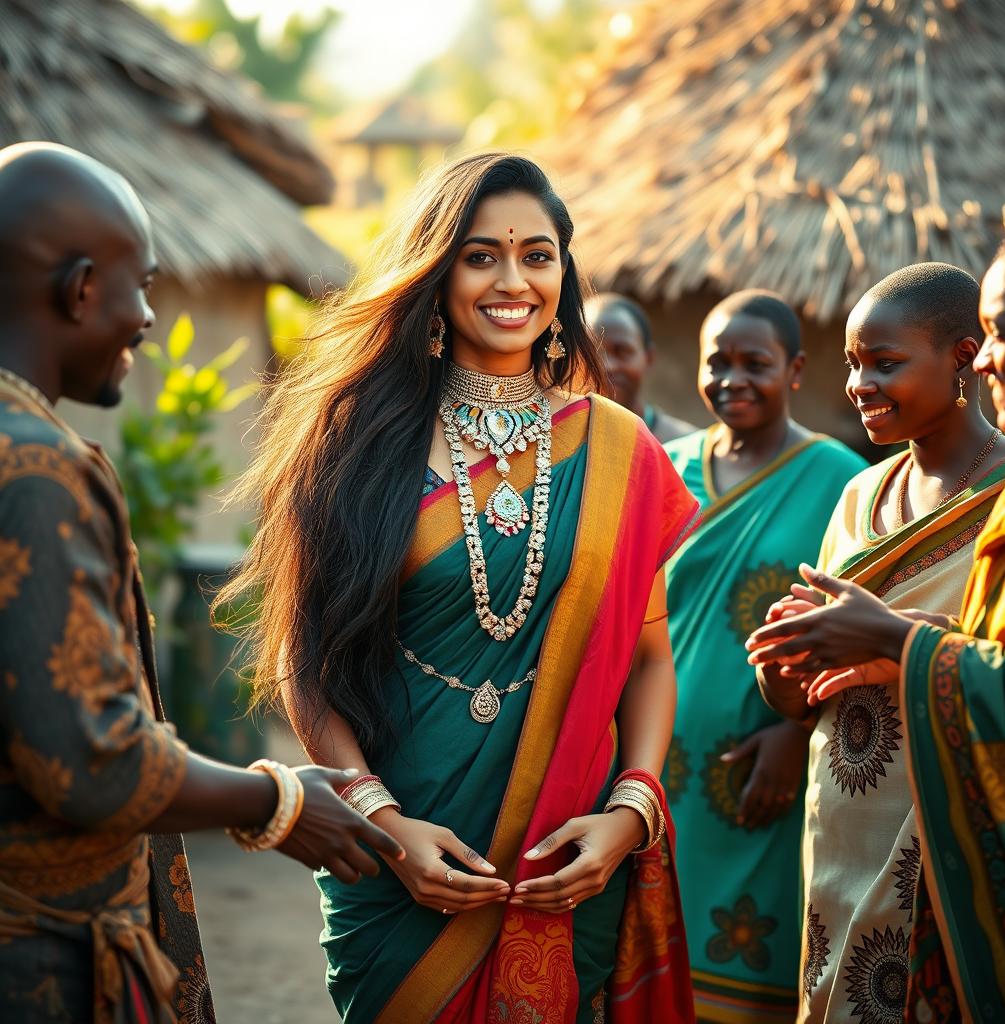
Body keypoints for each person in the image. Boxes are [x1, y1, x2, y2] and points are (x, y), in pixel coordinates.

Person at [216, 154, 699, 1023]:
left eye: (537, 254)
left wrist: (632, 811)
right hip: (397, 859)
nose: (512, 281)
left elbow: (650, 657)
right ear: (437, 272)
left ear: (565, 270)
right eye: (481, 256)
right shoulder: (357, 444)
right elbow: (304, 658)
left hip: (563, 860)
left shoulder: (619, 451)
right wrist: (385, 825)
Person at [0, 142, 404, 1024]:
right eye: (137, 286)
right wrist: (279, 798)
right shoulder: (31, 470)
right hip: (36, 965)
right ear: (77, 290)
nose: (147, 317)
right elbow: (89, 760)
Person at [747, 260, 1005, 1023]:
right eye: (853, 363)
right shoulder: (860, 495)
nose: (860, 384)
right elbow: (807, 689)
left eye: (887, 363)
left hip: (939, 819)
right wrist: (782, 672)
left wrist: (898, 639)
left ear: (965, 359)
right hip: (838, 820)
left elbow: (1004, 665)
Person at [661, 289, 865, 1022]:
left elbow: (854, 628)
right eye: (718, 362)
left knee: (749, 971)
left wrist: (795, 731)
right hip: (658, 765)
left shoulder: (841, 480)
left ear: (797, 369)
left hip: (765, 773)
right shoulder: (663, 469)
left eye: (756, 363)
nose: (732, 378)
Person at [586, 292, 695, 443]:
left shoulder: (684, 446)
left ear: (648, 358)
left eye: (621, 351)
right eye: (592, 353)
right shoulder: (553, 441)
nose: (607, 366)